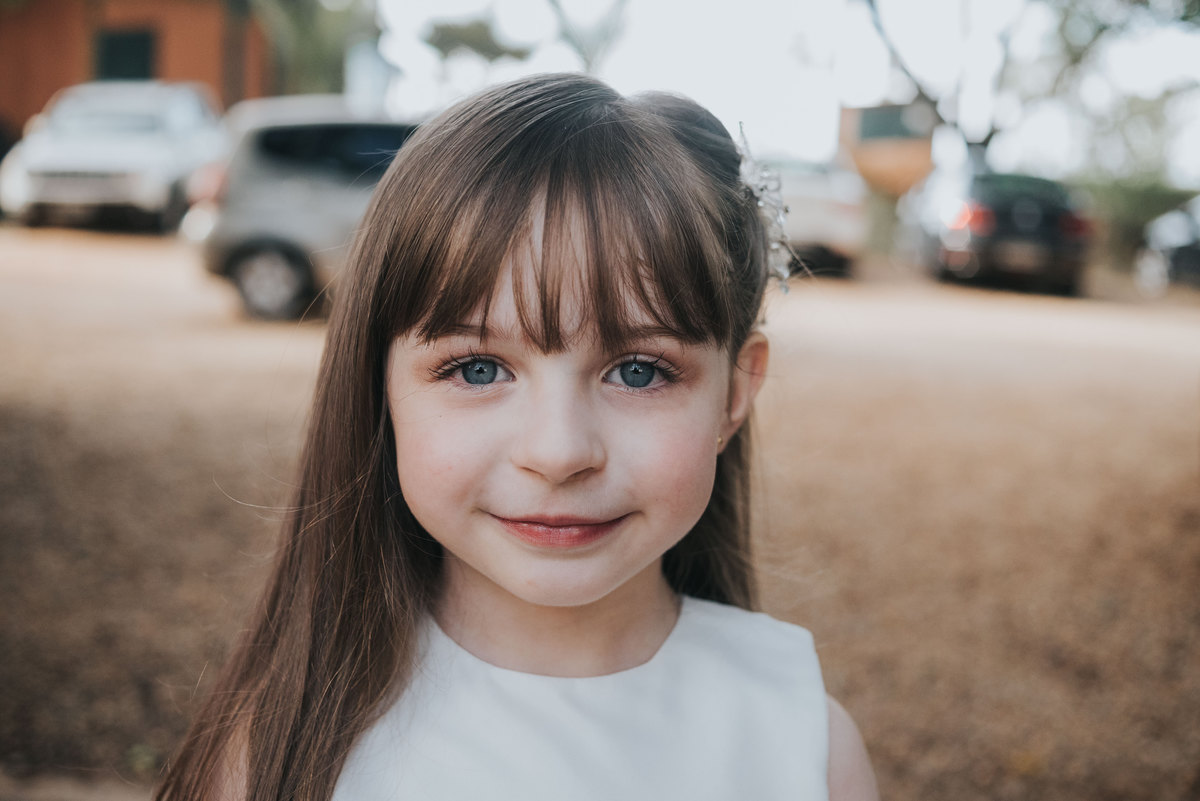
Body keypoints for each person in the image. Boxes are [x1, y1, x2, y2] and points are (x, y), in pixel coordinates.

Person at [155, 73, 878, 801]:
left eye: (636, 371)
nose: (558, 452)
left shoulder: (804, 751)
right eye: (476, 368)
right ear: (379, 384)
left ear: (735, 393)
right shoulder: (280, 756)